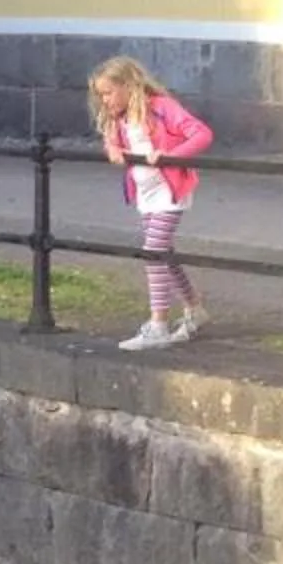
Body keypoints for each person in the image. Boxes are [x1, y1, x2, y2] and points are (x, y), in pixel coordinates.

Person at [88, 55, 214, 350]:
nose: (104, 101)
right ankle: (195, 309)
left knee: (153, 252)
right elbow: (112, 139)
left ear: (128, 86)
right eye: (100, 95)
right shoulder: (117, 118)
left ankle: (158, 324)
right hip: (146, 194)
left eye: (108, 93)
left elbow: (201, 133)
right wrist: (113, 148)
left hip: (170, 192)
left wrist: (173, 155)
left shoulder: (161, 108)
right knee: (163, 254)